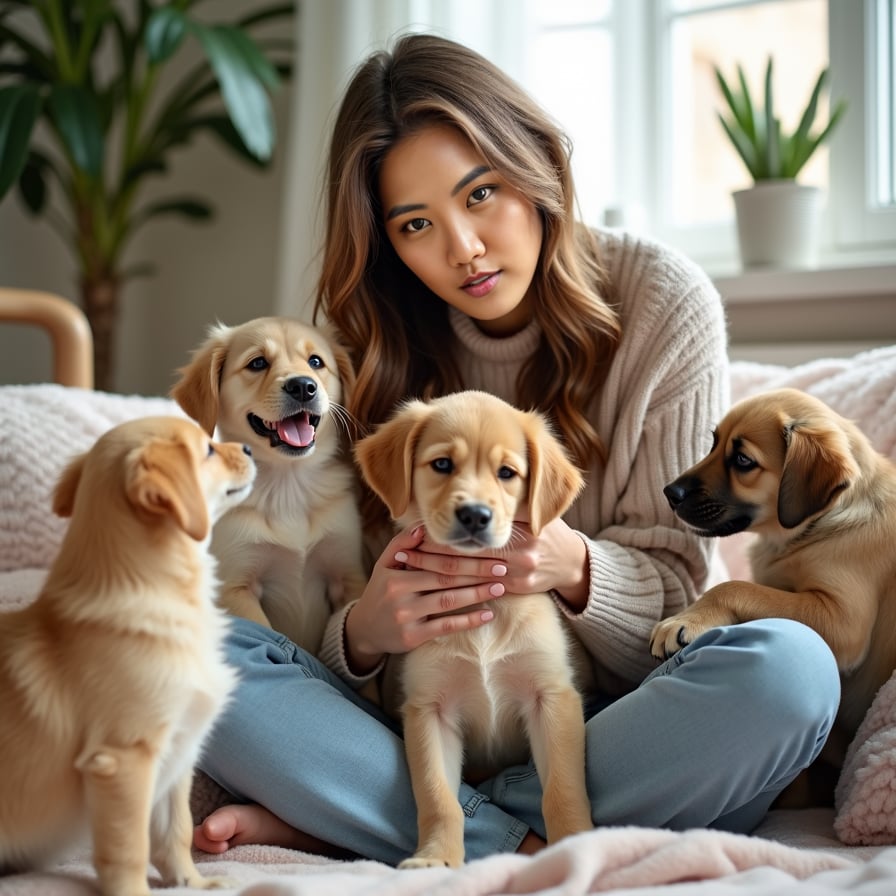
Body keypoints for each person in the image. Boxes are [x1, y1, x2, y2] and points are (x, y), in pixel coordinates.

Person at [193, 32, 840, 864]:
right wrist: (361, 633)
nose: (461, 247)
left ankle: (381, 817)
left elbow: (683, 589)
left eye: (482, 193)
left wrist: (571, 565)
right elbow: (330, 591)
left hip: (605, 717)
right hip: (417, 712)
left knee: (790, 670)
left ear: (536, 165)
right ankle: (504, 828)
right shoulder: (366, 348)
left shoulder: (663, 302)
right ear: (387, 240)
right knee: (196, 647)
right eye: (416, 224)